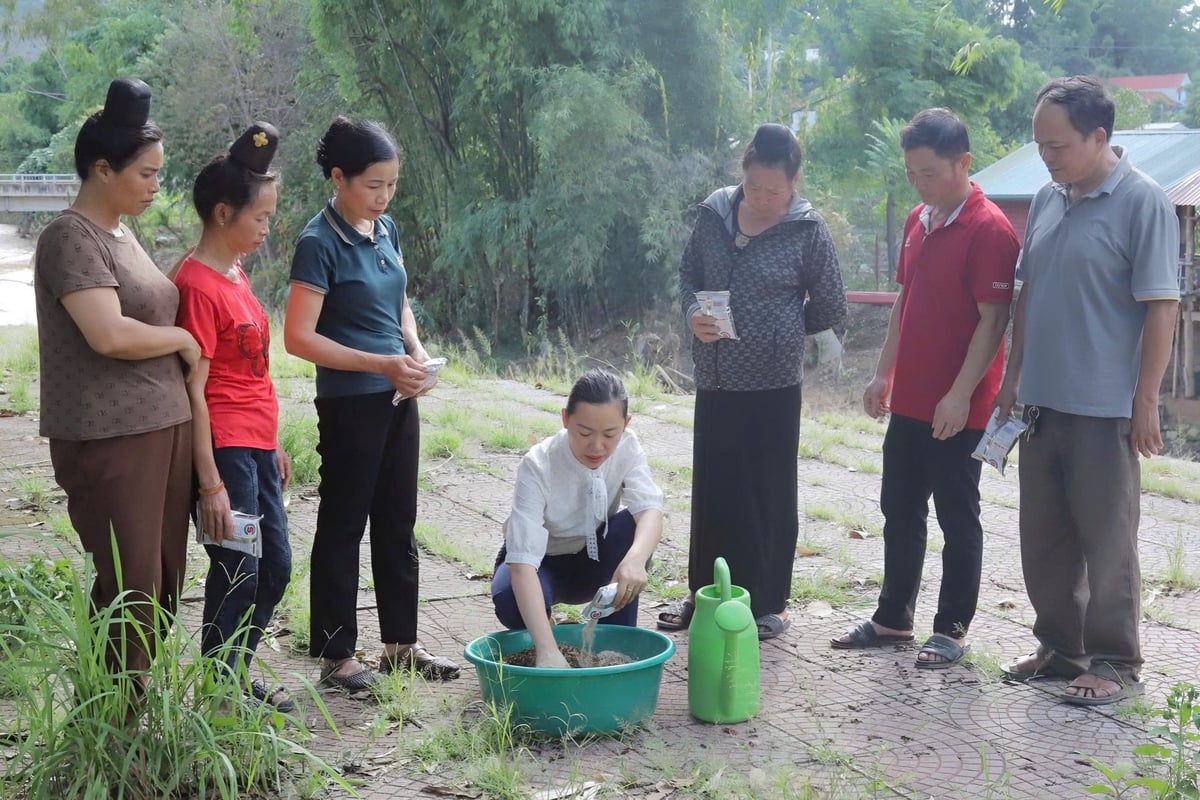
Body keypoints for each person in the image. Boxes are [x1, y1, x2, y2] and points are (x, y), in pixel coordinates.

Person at [995, 76, 1179, 705]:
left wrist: (1146, 399)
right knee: (1042, 536)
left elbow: (1161, 307)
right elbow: (1029, 298)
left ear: (1100, 137)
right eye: (1040, 144)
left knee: (1107, 542)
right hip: (1041, 402)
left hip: (1104, 408)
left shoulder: (1142, 202)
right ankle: (1060, 647)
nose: (1048, 156)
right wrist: (1011, 380)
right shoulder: (1049, 199)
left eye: (1059, 145)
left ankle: (1114, 659)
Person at [830, 108, 1018, 666]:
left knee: (957, 515)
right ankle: (893, 619)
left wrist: (960, 394)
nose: (919, 183)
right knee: (900, 507)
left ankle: (952, 629)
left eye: (929, 172)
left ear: (965, 163)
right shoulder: (919, 219)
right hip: (910, 399)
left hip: (961, 407)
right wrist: (883, 371)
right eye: (912, 172)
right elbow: (904, 304)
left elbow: (994, 320)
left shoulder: (989, 230)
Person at [284, 116, 459, 692]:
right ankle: (338, 657)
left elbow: (399, 301)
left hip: (397, 394)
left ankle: (400, 646)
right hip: (350, 403)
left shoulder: (386, 231)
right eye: (373, 185)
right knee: (343, 523)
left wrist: (414, 350)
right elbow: (298, 338)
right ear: (338, 178)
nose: (384, 197)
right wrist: (379, 364)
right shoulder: (318, 242)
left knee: (397, 521)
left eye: (391, 185)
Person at [33, 78, 199, 681]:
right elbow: (108, 333)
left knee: (164, 578)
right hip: (111, 433)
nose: (157, 187)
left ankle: (136, 712)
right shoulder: (68, 237)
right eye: (146, 175)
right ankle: (110, 729)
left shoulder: (125, 234)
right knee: (130, 584)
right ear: (102, 169)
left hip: (165, 423)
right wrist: (182, 339)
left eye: (159, 174)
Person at [660, 123, 847, 639]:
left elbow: (832, 304)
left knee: (766, 492)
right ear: (741, 175)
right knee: (715, 490)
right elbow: (687, 276)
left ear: (795, 181)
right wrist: (694, 309)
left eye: (776, 190)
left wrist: (782, 329)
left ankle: (769, 602)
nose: (763, 200)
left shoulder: (808, 231)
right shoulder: (713, 215)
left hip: (773, 384)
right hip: (716, 378)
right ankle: (705, 595)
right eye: (755, 187)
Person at [172, 122, 294, 712]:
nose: (267, 228)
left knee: (276, 567)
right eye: (261, 218)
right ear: (224, 213)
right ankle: (221, 692)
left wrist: (273, 444)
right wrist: (211, 483)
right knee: (239, 571)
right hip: (224, 451)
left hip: (256, 446)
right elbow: (195, 390)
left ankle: (233, 671)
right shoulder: (195, 285)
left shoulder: (235, 273)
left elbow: (254, 372)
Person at [491, 369, 665, 668]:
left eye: (610, 434)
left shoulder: (629, 445)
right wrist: (547, 651)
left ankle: (617, 646)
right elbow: (521, 563)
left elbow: (650, 508)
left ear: (625, 425)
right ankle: (546, 633)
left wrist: (635, 559)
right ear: (565, 419)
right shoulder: (538, 463)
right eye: (584, 433)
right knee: (509, 599)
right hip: (542, 564)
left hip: (595, 558)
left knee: (632, 529)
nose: (597, 446)